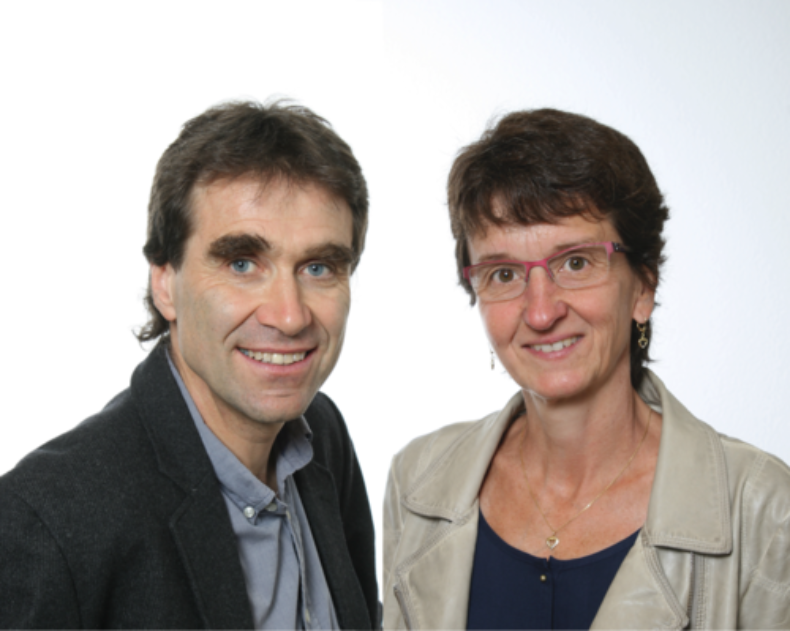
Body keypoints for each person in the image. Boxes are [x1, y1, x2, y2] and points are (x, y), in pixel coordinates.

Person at [382, 109, 790, 630]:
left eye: (575, 262)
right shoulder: (417, 483)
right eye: (503, 273)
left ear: (643, 286)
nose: (541, 312)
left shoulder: (763, 510)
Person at [0, 100, 378, 629]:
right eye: (242, 263)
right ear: (165, 284)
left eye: (318, 267)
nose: (290, 316)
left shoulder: (323, 437)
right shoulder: (45, 520)